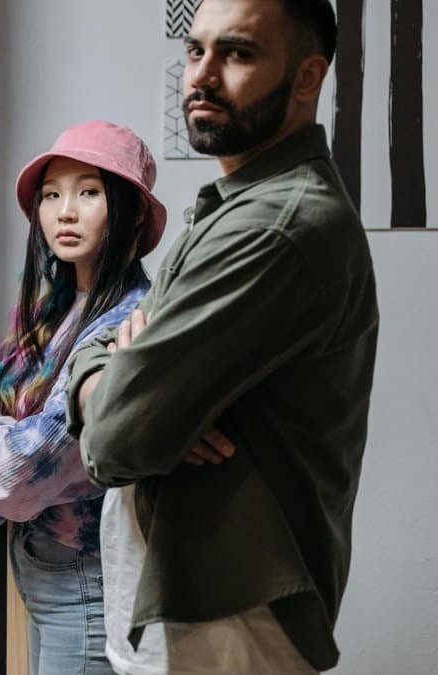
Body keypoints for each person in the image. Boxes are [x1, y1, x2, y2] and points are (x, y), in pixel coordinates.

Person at [66, 1, 379, 673]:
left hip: (229, 620)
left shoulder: (274, 227)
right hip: (184, 606)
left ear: (306, 78)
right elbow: (107, 363)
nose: (200, 76)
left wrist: (134, 394)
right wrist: (117, 372)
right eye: (195, 51)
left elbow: (119, 436)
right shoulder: (237, 204)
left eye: (236, 54)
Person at [0, 120, 167, 675]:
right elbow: (7, 426)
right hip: (48, 575)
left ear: (129, 211)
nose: (65, 211)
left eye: (89, 192)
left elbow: (16, 476)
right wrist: (0, 439)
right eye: (52, 194)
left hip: (87, 582)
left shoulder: (133, 321)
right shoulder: (52, 310)